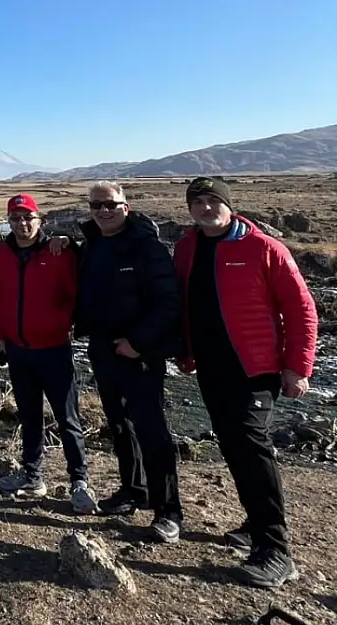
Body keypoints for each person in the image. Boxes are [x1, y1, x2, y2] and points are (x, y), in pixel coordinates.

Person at [173, 177, 317, 587]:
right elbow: (186, 300)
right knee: (233, 445)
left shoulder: (264, 248)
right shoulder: (188, 247)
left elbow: (302, 308)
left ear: (228, 204)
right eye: (196, 202)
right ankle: (256, 524)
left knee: (251, 447)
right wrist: (185, 350)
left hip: (256, 368)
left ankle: (275, 550)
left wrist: (299, 367)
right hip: (211, 366)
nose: (204, 208)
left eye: (212, 200)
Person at [71, 180, 183, 543]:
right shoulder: (91, 244)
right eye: (96, 206)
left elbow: (168, 301)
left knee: (152, 429)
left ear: (126, 207)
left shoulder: (147, 248)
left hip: (140, 353)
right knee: (119, 424)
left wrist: (138, 342)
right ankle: (132, 490)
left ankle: (168, 510)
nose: (103, 211)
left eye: (111, 205)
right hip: (103, 348)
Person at [0, 194, 97, 514]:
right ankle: (33, 476)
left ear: (40, 220)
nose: (22, 224)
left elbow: (84, 281)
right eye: (15, 219)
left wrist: (72, 243)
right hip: (19, 350)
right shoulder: (1, 254)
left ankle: (80, 481)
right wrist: (0, 338)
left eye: (28, 218)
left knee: (68, 418)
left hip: (54, 349)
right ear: (8, 221)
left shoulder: (60, 253)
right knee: (30, 416)